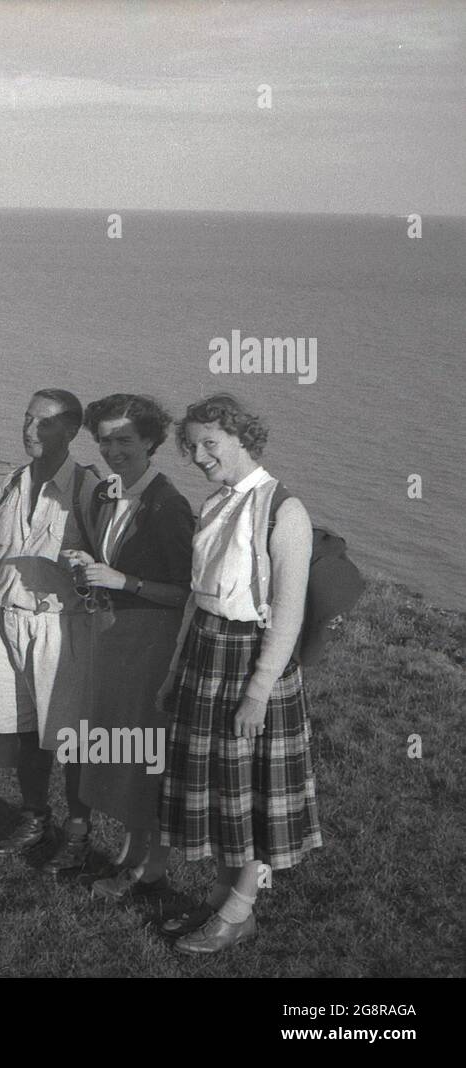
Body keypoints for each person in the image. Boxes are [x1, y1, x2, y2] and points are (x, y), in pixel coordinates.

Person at [156, 394, 319, 954]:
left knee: (247, 795)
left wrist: (257, 693)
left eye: (211, 444)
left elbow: (289, 614)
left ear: (243, 439)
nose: (199, 456)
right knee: (220, 792)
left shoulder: (284, 510)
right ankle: (225, 906)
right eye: (192, 445)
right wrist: (176, 667)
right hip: (206, 654)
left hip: (253, 665)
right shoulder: (217, 502)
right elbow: (198, 599)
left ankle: (237, 911)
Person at [56, 395, 194, 902]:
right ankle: (132, 854)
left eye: (125, 440)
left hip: (151, 644)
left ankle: (148, 868)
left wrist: (123, 580)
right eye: (105, 439)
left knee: (144, 756)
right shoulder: (109, 494)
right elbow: (109, 560)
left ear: (152, 442)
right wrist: (87, 564)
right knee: (121, 752)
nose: (113, 450)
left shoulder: (167, 505)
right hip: (114, 640)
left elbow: (185, 592)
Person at [0, 388, 101, 869]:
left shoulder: (88, 489)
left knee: (68, 736)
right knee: (24, 728)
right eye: (28, 419)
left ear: (71, 431)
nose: (30, 430)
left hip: (59, 626)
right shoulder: (12, 480)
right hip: (8, 620)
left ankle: (78, 831)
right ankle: (34, 817)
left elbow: (105, 563)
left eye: (44, 423)